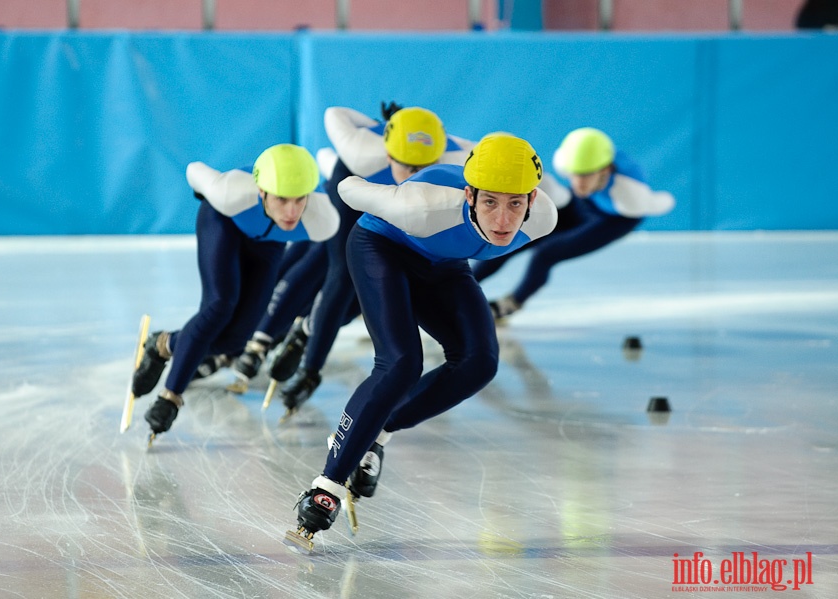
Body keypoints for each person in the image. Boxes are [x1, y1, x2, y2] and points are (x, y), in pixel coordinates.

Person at [285, 133, 558, 550]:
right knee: (400, 363)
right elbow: (348, 188)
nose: (502, 220)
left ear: (533, 200)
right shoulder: (423, 205)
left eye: (515, 203)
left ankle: (377, 432)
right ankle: (326, 483)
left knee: (479, 361)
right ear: (469, 195)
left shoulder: (544, 219)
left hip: (442, 264)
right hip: (382, 246)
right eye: (489, 202)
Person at [230, 103, 473, 414]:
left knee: (378, 285)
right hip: (354, 186)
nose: (415, 174)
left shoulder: (460, 156)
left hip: (401, 204)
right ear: (387, 154)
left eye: (424, 166)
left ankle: (305, 330)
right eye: (407, 166)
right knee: (342, 273)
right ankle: (302, 366)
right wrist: (374, 123)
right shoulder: (361, 151)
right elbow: (333, 112)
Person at [130, 144, 339, 440]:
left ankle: (163, 345)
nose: (292, 211)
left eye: (299, 199)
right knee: (219, 306)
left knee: (237, 339)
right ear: (262, 191)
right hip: (223, 224)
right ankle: (170, 395)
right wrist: (204, 192)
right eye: (281, 199)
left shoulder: (323, 220)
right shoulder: (231, 192)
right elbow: (194, 170)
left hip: (267, 246)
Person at [471, 127, 675, 320]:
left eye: (586, 175)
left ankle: (510, 304)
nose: (579, 182)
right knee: (513, 239)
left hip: (615, 219)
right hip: (585, 203)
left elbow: (662, 202)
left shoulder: (631, 197)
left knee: (546, 254)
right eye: (574, 174)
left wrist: (660, 200)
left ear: (606, 171)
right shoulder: (564, 163)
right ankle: (462, 288)